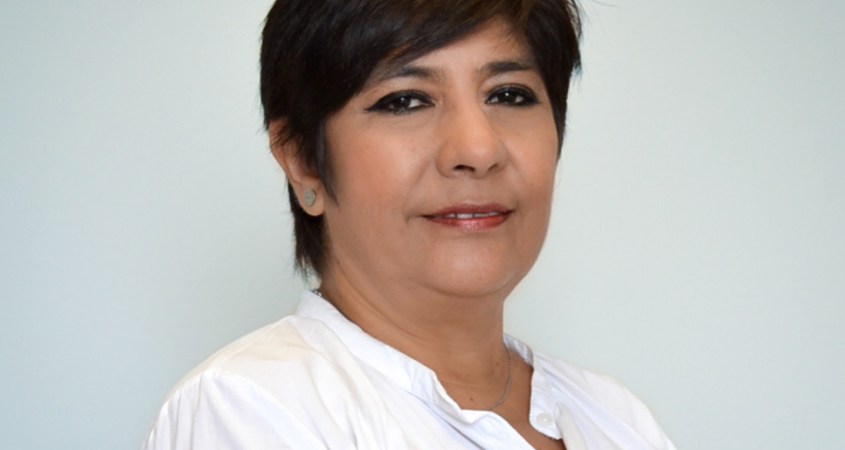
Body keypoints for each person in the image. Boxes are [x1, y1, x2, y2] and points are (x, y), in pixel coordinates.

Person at [143, 0, 677, 448]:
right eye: (405, 101)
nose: (478, 149)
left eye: (509, 94)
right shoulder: (251, 406)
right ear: (304, 162)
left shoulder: (617, 419)